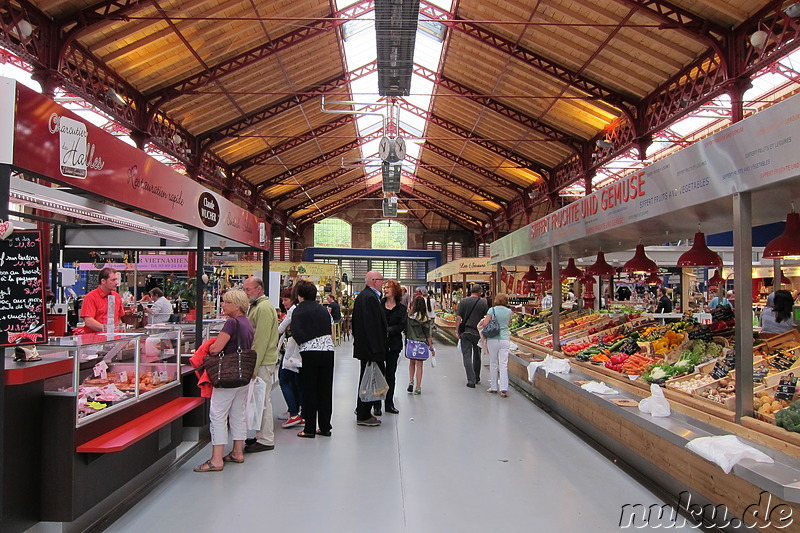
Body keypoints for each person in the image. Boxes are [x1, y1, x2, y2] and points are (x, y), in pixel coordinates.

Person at [193, 289, 254, 472]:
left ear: (236, 305)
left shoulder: (231, 323)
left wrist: (210, 345)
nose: (224, 305)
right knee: (238, 414)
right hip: (243, 375)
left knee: (218, 415)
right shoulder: (247, 323)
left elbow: (216, 349)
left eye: (227, 302)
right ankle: (237, 451)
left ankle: (216, 459)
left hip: (226, 375)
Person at [290, 280, 335, 438]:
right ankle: (324, 427)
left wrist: (305, 342)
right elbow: (331, 330)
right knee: (325, 390)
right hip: (328, 350)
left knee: (309, 390)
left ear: (299, 295)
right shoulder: (323, 310)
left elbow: (295, 332)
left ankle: (309, 428)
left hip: (309, 352)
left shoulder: (297, 310)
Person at [242, 276, 279, 453]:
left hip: (263, 362)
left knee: (263, 400)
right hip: (262, 360)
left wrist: (253, 367)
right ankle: (260, 435)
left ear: (258, 289)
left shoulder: (263, 308)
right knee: (259, 400)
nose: (245, 293)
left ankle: (265, 439)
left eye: (248, 289)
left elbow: (261, 340)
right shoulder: (258, 307)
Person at [352, 271, 388, 426]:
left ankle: (363, 410)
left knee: (367, 379)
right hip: (371, 350)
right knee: (368, 380)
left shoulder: (368, 296)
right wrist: (376, 350)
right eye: (381, 280)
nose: (383, 283)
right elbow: (370, 326)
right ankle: (363, 414)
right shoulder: (369, 298)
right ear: (374, 281)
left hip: (368, 348)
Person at [478, 292, 513, 397]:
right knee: (503, 364)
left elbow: (485, 324)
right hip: (505, 338)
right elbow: (509, 324)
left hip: (492, 339)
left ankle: (493, 387)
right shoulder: (509, 311)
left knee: (493, 363)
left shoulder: (491, 310)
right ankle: (503, 388)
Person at [277, 288, 303, 426]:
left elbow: (280, 329)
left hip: (291, 352)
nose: (283, 302)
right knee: (295, 382)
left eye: (285, 300)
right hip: (295, 353)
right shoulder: (296, 310)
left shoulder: (293, 311)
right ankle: (296, 410)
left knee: (283, 380)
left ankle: (293, 413)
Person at [455, 284, 488, 388]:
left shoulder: (463, 302)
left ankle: (471, 380)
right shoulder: (483, 303)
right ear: (480, 292)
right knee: (477, 355)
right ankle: (477, 377)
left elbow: (458, 318)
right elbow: (485, 320)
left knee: (467, 356)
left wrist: (457, 331)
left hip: (465, 332)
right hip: (478, 333)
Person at [382, 279, 407, 414]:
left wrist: (388, 330)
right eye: (384, 287)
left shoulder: (401, 308)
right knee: (378, 373)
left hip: (394, 345)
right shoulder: (379, 305)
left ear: (395, 291)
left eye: (388, 288)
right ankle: (375, 403)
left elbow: (402, 325)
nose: (385, 290)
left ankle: (389, 402)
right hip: (379, 345)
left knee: (390, 375)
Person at [81, 267, 125, 332]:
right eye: (113, 280)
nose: (116, 283)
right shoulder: (91, 297)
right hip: (95, 339)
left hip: (114, 338)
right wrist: (106, 329)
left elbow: (118, 319)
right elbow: (88, 321)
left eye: (116, 280)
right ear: (103, 281)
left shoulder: (117, 296)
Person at [406, 296, 433, 395]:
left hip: (411, 342)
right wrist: (431, 346)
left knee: (411, 363)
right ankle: (418, 387)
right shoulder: (425, 318)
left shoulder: (409, 317)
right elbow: (428, 335)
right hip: (421, 344)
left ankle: (411, 381)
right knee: (420, 365)